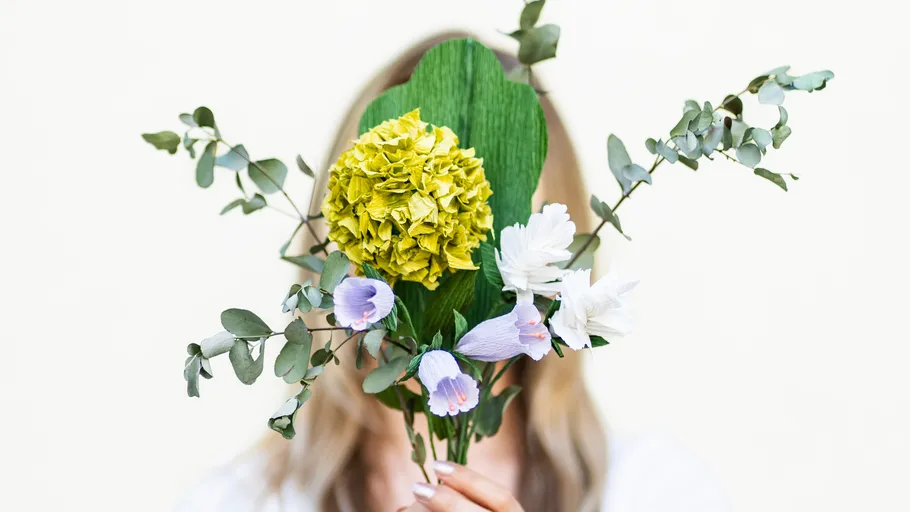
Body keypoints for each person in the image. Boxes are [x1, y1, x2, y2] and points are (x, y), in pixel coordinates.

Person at [179, 32, 730, 512]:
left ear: (555, 265)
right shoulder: (238, 503)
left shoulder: (657, 493)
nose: (440, 281)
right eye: (396, 225)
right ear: (336, 244)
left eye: (481, 243)